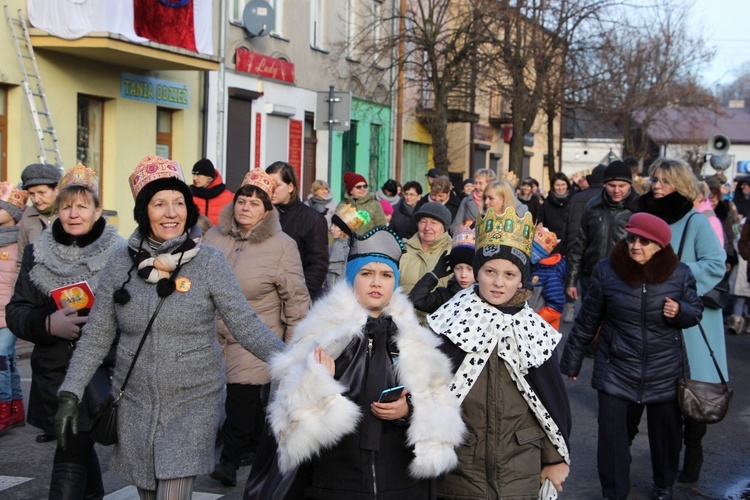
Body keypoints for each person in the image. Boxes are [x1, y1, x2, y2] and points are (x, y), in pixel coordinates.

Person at [54, 156, 286, 499]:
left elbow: (244, 323)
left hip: (193, 399)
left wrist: (295, 362)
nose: (171, 213)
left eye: (179, 203)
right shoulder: (120, 263)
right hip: (134, 402)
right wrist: (70, 392)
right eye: (160, 203)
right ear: (143, 211)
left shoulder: (209, 262)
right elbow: (97, 336)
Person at [246, 226, 466, 499]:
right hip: (334, 481)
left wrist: (408, 411)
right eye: (367, 274)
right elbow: (288, 425)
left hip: (398, 482)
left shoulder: (415, 340)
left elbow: (438, 413)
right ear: (352, 278)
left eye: (386, 275)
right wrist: (318, 384)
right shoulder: (320, 335)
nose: (376, 282)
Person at [429, 206, 571, 498]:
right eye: (490, 271)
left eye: (509, 274)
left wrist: (555, 458)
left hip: (520, 466)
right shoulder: (453, 319)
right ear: (476, 272)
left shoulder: (534, 330)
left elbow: (549, 402)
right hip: (461, 467)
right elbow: (427, 389)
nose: (498, 282)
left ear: (522, 279)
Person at [561, 213, 703, 500]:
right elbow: (588, 318)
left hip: (664, 369)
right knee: (612, 438)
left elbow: (695, 311)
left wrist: (681, 312)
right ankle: (614, 492)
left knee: (666, 435)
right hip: (616, 367)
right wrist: (572, 359)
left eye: (644, 241)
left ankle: (664, 484)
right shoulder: (607, 270)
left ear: (660, 246)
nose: (635, 246)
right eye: (631, 238)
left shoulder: (680, 273)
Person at [7, 163, 125, 498]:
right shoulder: (37, 253)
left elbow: (134, 315)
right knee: (76, 446)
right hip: (55, 374)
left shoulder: (121, 255)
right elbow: (16, 312)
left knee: (71, 449)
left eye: (82, 206)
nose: (73, 214)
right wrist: (47, 323)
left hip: (101, 372)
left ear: (98, 210)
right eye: (66, 206)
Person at [203, 167, 310, 486]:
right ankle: (240, 446)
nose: (246, 207)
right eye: (241, 201)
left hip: (254, 333)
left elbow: (296, 298)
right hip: (210, 332)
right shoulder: (212, 237)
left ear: (266, 211)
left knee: (241, 397)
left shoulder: (282, 245)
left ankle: (229, 462)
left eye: (254, 203)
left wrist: (294, 345)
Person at [637, 159, 727, 485]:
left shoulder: (696, 222)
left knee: (694, 394)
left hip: (692, 320)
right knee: (665, 399)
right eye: (654, 179)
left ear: (680, 183)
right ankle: (667, 464)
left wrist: (676, 282)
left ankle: (694, 452)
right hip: (653, 319)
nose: (656, 185)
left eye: (664, 180)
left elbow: (716, 264)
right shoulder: (644, 219)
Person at [566, 160, 639, 304]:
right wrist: (571, 281)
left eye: (621, 186)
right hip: (592, 277)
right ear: (604, 184)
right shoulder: (593, 206)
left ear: (630, 184)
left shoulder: (638, 208)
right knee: (590, 323)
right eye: (612, 185)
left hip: (625, 279)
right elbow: (580, 244)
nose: (616, 190)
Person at [266, 161, 329, 300]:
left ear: (290, 187)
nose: (271, 190)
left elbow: (318, 265)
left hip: (295, 299)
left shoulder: (312, 219)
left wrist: (299, 297)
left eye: (276, 185)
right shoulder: (261, 214)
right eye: (268, 184)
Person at [0, 182, 28, 435]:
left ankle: (3, 408)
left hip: (10, 311)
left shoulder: (19, 240)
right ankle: (16, 408)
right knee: (7, 360)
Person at [561, 164, 605, 323]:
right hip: (595, 250)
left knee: (574, 280)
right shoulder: (604, 199)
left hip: (574, 245)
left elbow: (566, 224)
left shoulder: (576, 197)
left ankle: (570, 307)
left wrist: (566, 244)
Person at [408, 224, 476, 314]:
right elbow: (415, 300)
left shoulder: (485, 296)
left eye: (470, 269)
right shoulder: (443, 296)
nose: (463, 275)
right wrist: (434, 275)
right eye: (458, 268)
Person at [398, 201, 453, 294]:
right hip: (404, 308)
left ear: (444, 227)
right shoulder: (402, 249)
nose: (427, 228)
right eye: (423, 222)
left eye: (434, 223)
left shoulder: (453, 251)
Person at [18, 163, 61, 264]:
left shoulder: (70, 213)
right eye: (32, 194)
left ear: (56, 189)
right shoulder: (28, 215)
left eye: (41, 193)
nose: (36, 200)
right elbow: (21, 261)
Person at [529, 226, 567, 331]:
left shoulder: (551, 274)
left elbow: (555, 308)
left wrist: (532, 321)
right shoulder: (533, 268)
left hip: (542, 331)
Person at [189, 158, 234, 226]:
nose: (194, 178)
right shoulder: (189, 195)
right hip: (194, 235)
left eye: (198, 175)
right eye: (194, 174)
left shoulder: (228, 197)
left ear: (209, 178)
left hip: (219, 235)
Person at [538, 172, 571, 255]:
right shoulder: (546, 204)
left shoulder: (574, 201)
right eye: (557, 185)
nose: (560, 188)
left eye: (563, 184)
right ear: (553, 186)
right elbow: (540, 222)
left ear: (567, 185)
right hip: (551, 246)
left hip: (570, 245)